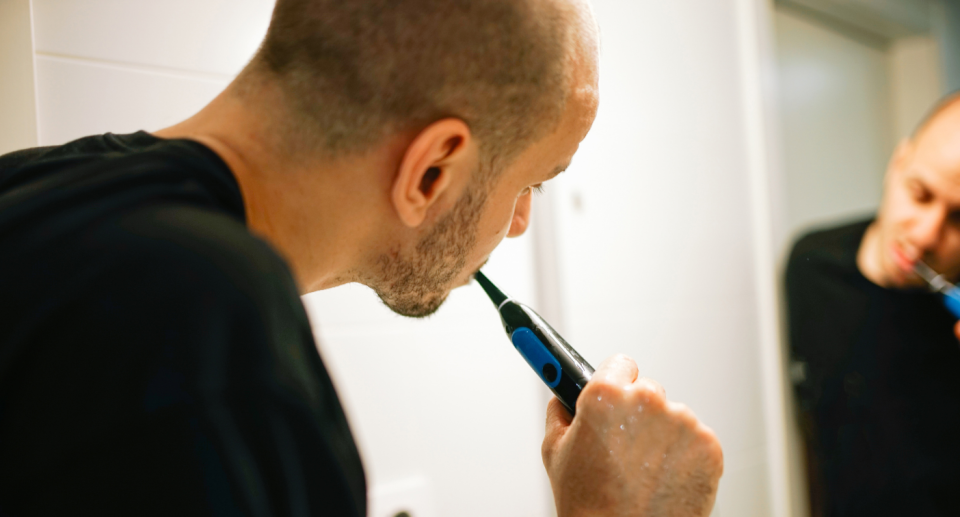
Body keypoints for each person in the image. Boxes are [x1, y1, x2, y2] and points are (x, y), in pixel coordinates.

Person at [0, 0, 723, 515]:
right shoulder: (215, 332)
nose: (517, 226)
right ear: (432, 171)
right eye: (528, 184)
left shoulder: (27, 186)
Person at [786, 93, 960, 516]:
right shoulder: (812, 266)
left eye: (959, 219)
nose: (924, 235)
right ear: (898, 162)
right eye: (919, 194)